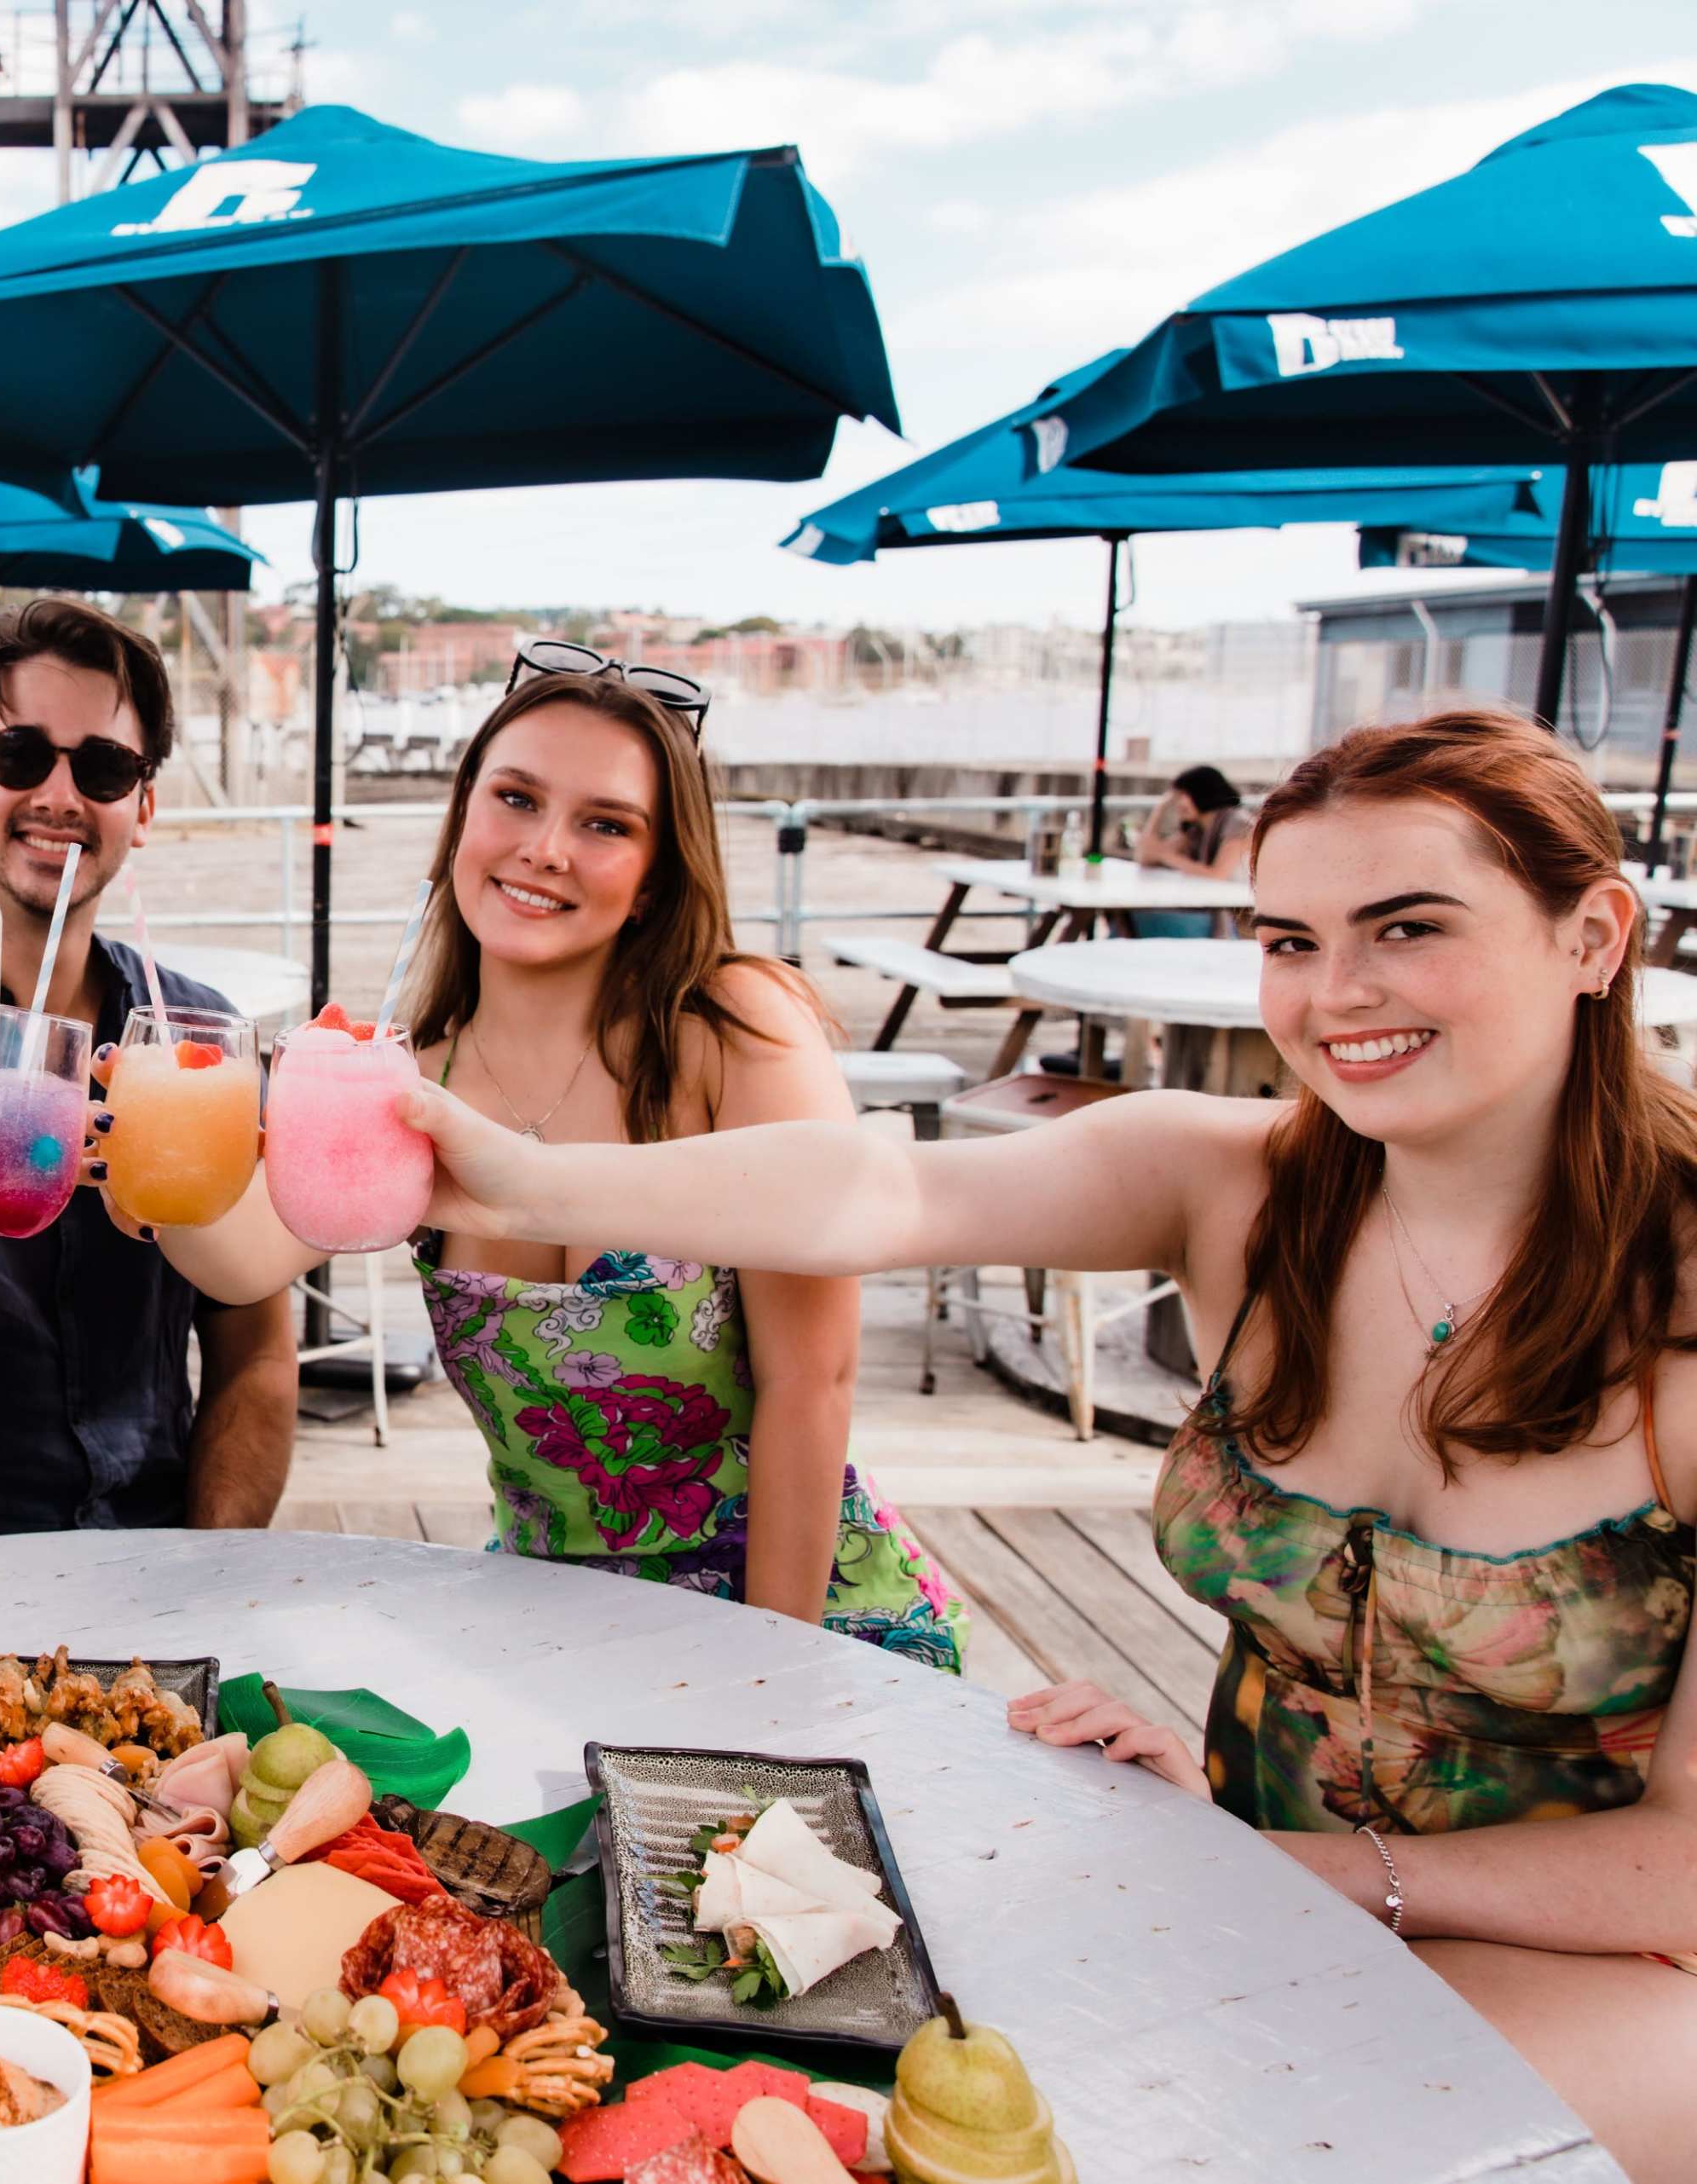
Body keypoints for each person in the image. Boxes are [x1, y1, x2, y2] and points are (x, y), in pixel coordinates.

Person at [391, 708, 1697, 2181]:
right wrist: (509, 1163)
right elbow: (871, 1193)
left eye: (1406, 927)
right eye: (1287, 940)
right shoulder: (1234, 1190)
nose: (1338, 996)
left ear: (1594, 934)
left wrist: (1295, 1869)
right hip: (1258, 1897)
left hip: (1622, 1976)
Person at [149, 648, 961, 1669]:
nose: (545, 849)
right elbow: (241, 1260)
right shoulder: (407, 1073)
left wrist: (769, 1686)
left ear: (659, 873)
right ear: (463, 821)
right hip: (547, 1629)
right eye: (518, 800)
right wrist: (151, 1163)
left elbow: (817, 1380)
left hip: (799, 1618)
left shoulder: (734, 1031)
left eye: (605, 824)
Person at [0, 596, 297, 1552]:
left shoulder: (199, 1043)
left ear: (144, 806)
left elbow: (257, 1353)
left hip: (149, 1559)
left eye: (106, 767)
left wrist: (208, 1559)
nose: (62, 797)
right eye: (19, 756)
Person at [1128, 764, 1252, 936]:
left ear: (1202, 793)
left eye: (1182, 796)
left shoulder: (1239, 822)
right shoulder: (1196, 829)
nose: (1177, 803)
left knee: (1140, 918)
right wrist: (1159, 810)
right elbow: (1145, 857)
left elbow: (1217, 874)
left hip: (1238, 918)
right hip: (1207, 908)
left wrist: (1167, 857)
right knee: (1132, 916)